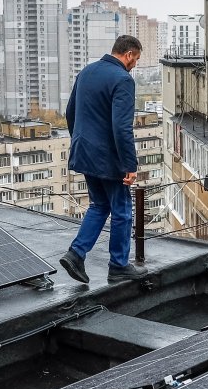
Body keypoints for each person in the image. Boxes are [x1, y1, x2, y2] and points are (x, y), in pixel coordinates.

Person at [59, 35, 147, 284]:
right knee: (122, 211)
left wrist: (81, 141)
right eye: (136, 59)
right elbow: (121, 127)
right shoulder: (123, 80)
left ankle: (76, 254)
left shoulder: (87, 71)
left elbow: (70, 112)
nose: (135, 65)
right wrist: (129, 165)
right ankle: (118, 265)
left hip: (84, 152)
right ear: (129, 54)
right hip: (109, 159)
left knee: (99, 205)